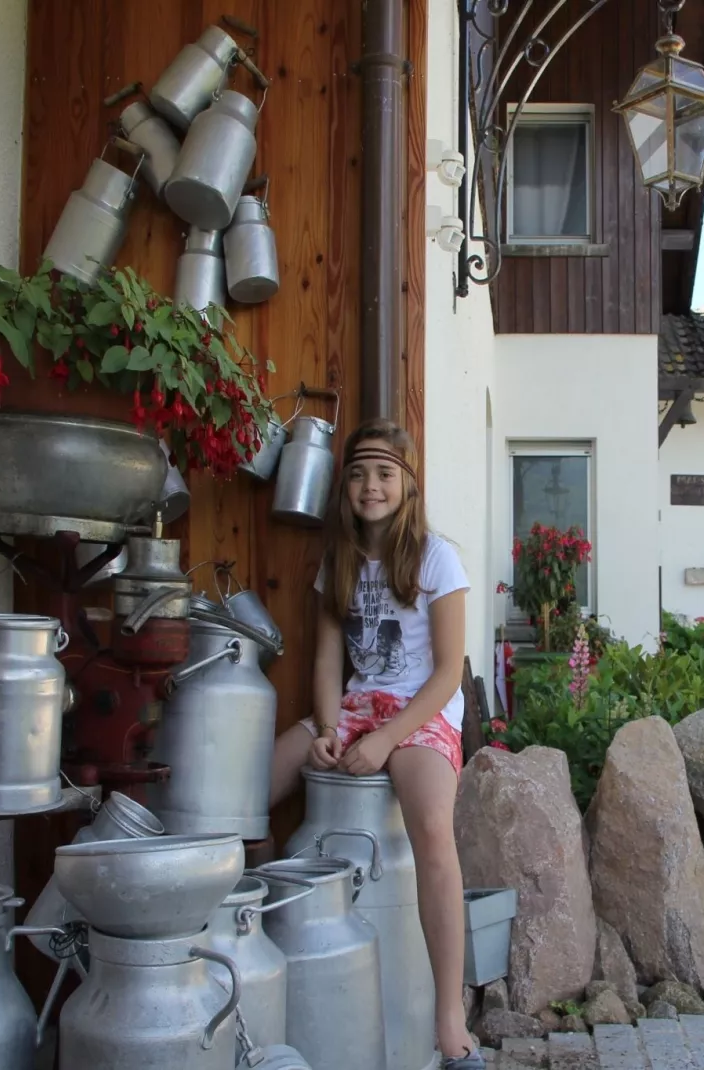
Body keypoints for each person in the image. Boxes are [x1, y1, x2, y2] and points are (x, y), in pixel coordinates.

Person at [268, 418, 481, 1070]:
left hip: (421, 712)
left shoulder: (438, 559)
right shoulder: (338, 563)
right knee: (256, 788)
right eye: (358, 472)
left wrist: (389, 738)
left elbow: (448, 670)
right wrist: (329, 730)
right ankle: (250, 956)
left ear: (409, 484)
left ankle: (450, 1019)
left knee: (431, 832)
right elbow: (329, 666)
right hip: (357, 708)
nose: (370, 484)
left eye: (385, 472)